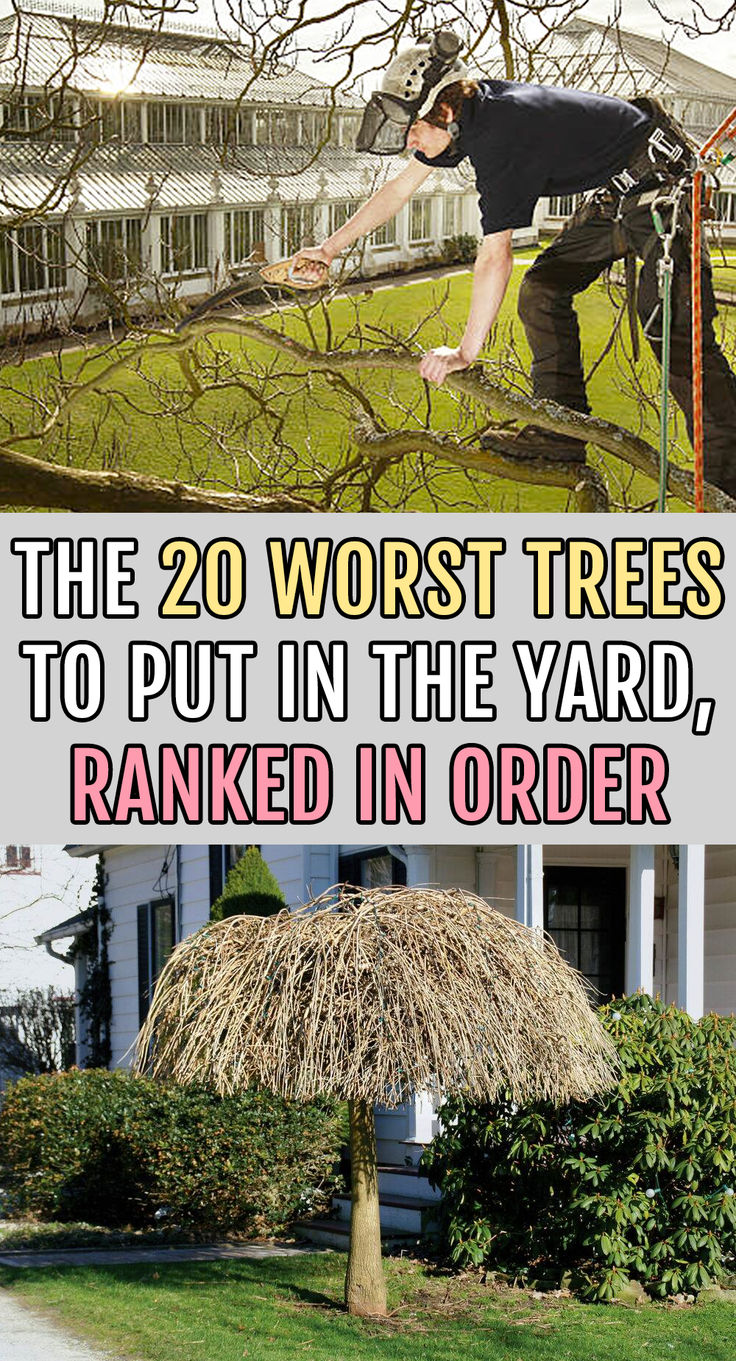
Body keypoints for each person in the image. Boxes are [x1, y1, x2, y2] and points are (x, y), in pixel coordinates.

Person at [296, 33, 736, 496]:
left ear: (441, 111)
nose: (411, 144)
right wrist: (329, 248)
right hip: (620, 196)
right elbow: (399, 191)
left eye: (413, 131)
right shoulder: (469, 108)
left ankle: (727, 482)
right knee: (543, 289)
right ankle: (560, 431)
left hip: (662, 192)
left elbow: (494, 258)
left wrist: (465, 352)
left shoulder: (498, 136)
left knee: (673, 333)